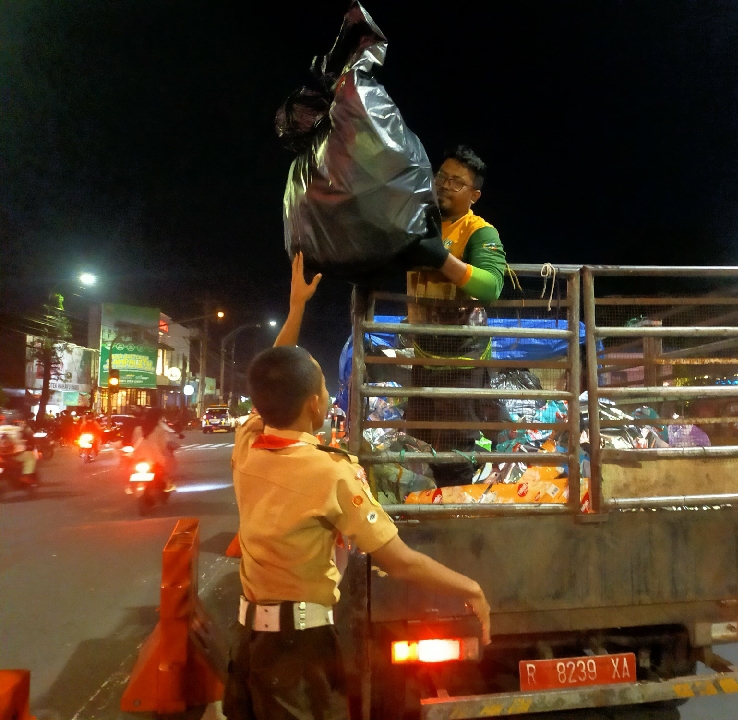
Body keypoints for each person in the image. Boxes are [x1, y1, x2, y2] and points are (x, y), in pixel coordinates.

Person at [223, 253, 491, 720]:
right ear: (312, 406)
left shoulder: (248, 444)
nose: (328, 396)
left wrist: (296, 308)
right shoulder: (329, 473)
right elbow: (399, 561)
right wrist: (469, 586)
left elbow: (270, 378)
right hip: (297, 650)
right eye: (325, 389)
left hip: (250, 643)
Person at [403, 146, 508, 487]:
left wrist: (442, 260)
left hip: (461, 362)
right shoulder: (418, 224)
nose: (445, 185)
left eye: (456, 182)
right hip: (424, 357)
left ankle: (458, 522)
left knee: (453, 449)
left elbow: (491, 286)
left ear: (473, 195)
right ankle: (432, 506)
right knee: (420, 439)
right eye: (441, 177)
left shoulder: (478, 231)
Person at [131, 408, 178, 491]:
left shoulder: (138, 429)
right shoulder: (159, 430)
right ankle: (168, 484)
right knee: (167, 466)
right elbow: (163, 445)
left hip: (138, 458)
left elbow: (133, 441)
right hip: (155, 458)